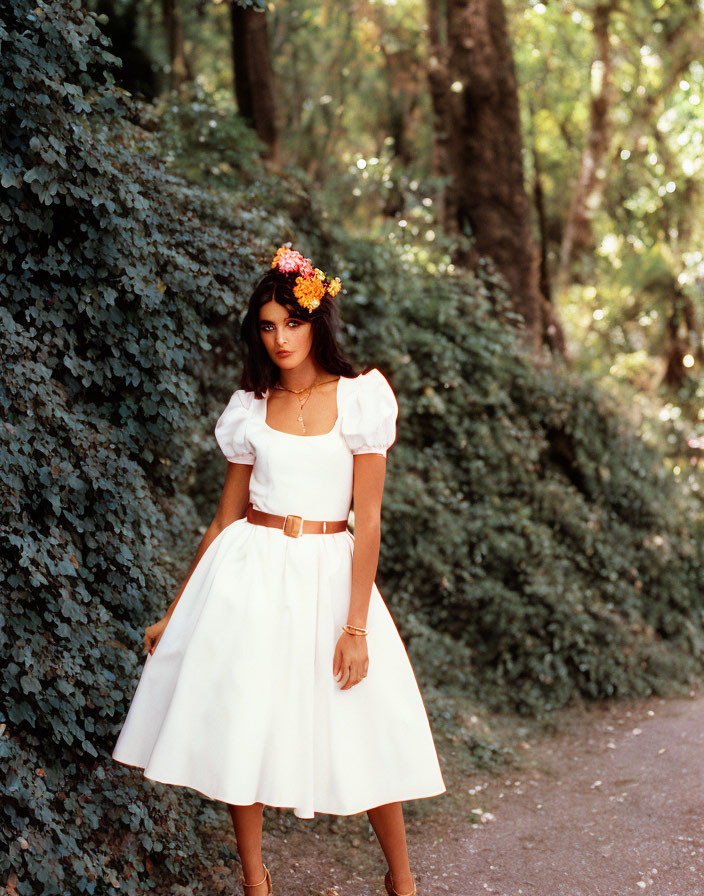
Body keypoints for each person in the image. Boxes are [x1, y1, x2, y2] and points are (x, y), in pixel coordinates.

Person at [111, 246, 446, 896]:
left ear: (316, 322)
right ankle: (255, 882)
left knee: (362, 721)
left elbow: (368, 525)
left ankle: (401, 881)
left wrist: (357, 627)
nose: (280, 338)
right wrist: (175, 613)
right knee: (245, 716)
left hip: (328, 577)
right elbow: (222, 520)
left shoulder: (359, 400)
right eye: (267, 326)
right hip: (249, 576)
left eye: (290, 323)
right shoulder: (250, 408)